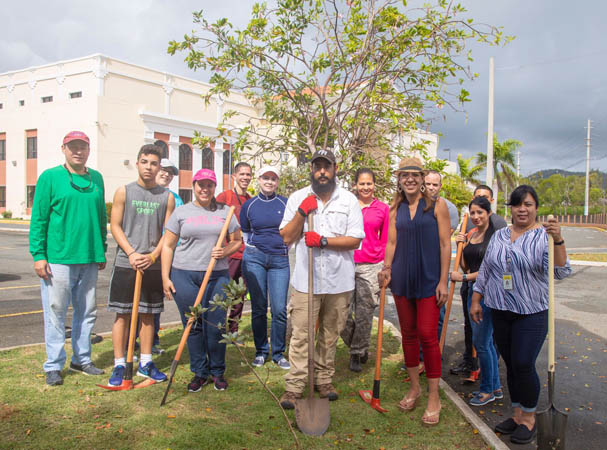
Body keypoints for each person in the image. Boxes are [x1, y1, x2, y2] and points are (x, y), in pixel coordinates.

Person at [470, 185, 571, 445]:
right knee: (512, 365)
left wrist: (558, 239)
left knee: (524, 363)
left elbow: (560, 270)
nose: (522, 209)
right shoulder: (501, 235)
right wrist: (477, 299)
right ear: (510, 208)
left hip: (532, 312)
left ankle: (529, 418)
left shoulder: (544, 236)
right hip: (500, 310)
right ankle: (516, 415)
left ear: (536, 208)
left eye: (527, 204)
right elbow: (488, 269)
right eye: (517, 204)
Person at [278, 149, 364, 409]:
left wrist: (324, 241)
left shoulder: (348, 200)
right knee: (302, 335)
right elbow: (286, 237)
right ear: (312, 170)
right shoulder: (298, 198)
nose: (322, 172)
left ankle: (323, 379)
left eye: (327, 166)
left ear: (335, 168)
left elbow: (356, 239)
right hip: (306, 281)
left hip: (339, 282)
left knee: (329, 335)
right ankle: (294, 386)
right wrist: (302, 214)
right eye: (318, 167)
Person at [29, 131, 107, 386]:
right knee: (56, 311)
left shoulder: (96, 178)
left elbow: (100, 217)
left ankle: (82, 359)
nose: (78, 151)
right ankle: (53, 364)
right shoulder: (50, 177)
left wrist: (101, 249)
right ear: (63, 148)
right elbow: (39, 219)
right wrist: (39, 255)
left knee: (87, 312)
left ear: (88, 150)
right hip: (59, 259)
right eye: (72, 147)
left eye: (82, 147)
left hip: (88, 257)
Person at [378, 157, 451, 426]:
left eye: (414, 175)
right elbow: (392, 242)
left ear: (422, 179)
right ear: (399, 180)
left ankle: (434, 396)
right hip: (402, 280)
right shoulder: (394, 209)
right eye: (404, 175)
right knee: (408, 335)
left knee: (427, 335)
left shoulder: (437, 206)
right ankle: (414, 388)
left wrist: (443, 281)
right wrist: (386, 268)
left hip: (429, 279)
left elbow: (445, 245)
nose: (409, 179)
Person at [162, 169, 241, 392]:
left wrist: (224, 252)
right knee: (193, 325)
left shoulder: (226, 212)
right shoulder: (181, 212)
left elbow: (237, 241)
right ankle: (199, 372)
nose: (204, 189)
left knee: (215, 325)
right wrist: (165, 278)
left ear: (214, 187)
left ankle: (217, 371)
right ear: (194, 186)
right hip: (184, 274)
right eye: (200, 185)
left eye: (209, 185)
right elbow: (168, 246)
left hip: (216, 276)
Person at [107, 144, 175, 387]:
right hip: (128, 263)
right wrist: (132, 252)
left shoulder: (166, 197)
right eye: (145, 162)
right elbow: (115, 225)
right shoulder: (124, 192)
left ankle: (146, 363)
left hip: (152, 266)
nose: (149, 167)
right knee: (123, 313)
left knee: (148, 314)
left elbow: (168, 233)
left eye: (154, 163)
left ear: (159, 167)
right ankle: (119, 364)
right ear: (137, 163)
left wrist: (154, 256)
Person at [451, 184, 507, 378]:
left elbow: (490, 269)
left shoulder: (498, 232)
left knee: (485, 341)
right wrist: (462, 245)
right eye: (473, 212)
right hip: (470, 290)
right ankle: (477, 368)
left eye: (480, 212)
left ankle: (490, 382)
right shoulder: (471, 232)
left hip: (488, 291)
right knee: (476, 335)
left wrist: (464, 277)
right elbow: (466, 265)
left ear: (489, 210)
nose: (476, 216)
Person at [240, 166, 290, 370]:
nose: (269, 182)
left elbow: (292, 229)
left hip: (280, 260)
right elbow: (245, 232)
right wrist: (253, 250)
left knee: (279, 309)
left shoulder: (285, 204)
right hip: (255, 258)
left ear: (278, 182)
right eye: (265, 178)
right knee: (259, 307)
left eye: (273, 178)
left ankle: (278, 353)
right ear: (259, 180)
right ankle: (261, 350)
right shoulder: (249, 205)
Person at [340, 168, 389, 372]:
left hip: (371, 265)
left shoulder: (383, 209)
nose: (366, 187)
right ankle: (356, 344)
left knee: (364, 313)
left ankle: (357, 353)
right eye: (362, 183)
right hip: (346, 262)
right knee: (340, 313)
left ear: (374, 185)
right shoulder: (346, 206)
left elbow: (386, 239)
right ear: (355, 185)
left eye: (369, 183)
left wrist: (386, 267)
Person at [216, 162, 252, 333]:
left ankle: (233, 328)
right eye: (242, 174)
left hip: (246, 255)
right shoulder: (225, 197)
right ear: (234, 177)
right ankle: (219, 325)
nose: (245, 178)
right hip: (229, 254)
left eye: (248, 175)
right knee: (223, 292)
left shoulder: (251, 200)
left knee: (240, 294)